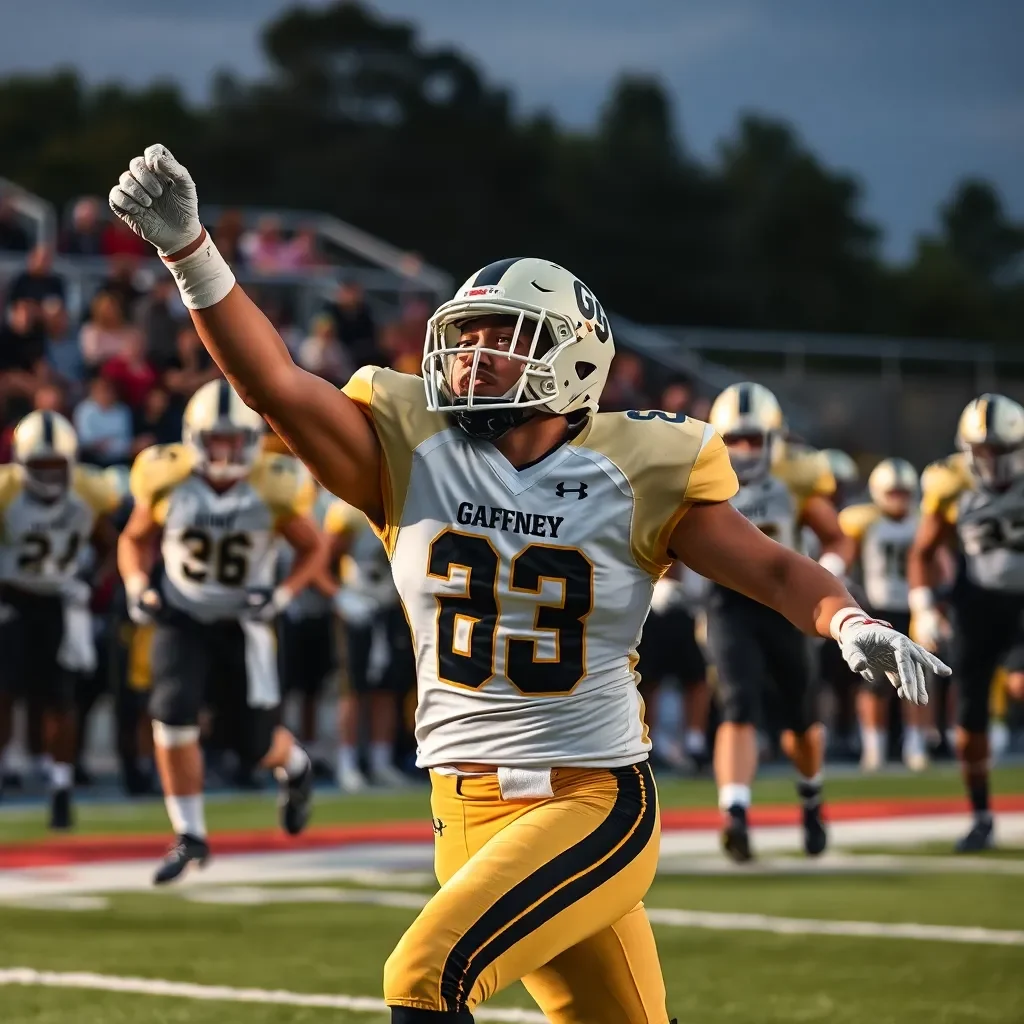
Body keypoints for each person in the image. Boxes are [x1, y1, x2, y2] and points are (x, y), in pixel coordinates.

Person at [109, 144, 944, 1024]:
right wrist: (191, 253)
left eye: (503, 339)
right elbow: (270, 383)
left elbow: (772, 565)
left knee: (422, 978)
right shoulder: (410, 446)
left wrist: (846, 620)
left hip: (590, 798)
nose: (472, 358)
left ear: (575, 358)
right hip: (458, 806)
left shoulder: (639, 466)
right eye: (465, 337)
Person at [116, 378, 324, 884]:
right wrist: (138, 583)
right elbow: (133, 539)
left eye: (235, 439)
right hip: (183, 615)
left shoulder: (273, 483)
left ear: (252, 440)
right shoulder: (166, 479)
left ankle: (295, 766)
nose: (226, 450)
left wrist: (281, 595)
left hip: (245, 623)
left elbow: (313, 548)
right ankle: (190, 835)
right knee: (173, 712)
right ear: (194, 439)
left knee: (251, 745)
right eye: (216, 439)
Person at [706, 382, 857, 862]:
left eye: (754, 439)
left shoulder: (795, 476)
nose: (745, 451)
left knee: (800, 716)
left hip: (787, 605)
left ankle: (811, 798)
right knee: (737, 706)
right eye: (735, 440)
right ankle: (736, 813)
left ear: (776, 439)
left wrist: (831, 565)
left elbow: (837, 534)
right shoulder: (699, 474)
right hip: (728, 603)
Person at [909, 394, 1024, 853]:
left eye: (999, 449)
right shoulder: (950, 479)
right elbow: (922, 549)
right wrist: (922, 605)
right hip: (976, 601)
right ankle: (980, 815)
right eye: (982, 449)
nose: (989, 460)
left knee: (1019, 684)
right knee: (969, 717)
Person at [0, 410, 120, 828]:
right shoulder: (5, 491)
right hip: (12, 598)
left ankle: (61, 786)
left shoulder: (90, 490)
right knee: (4, 695)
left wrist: (90, 581)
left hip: (63, 602)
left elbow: (110, 543)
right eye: (40, 466)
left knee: (61, 700)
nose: (49, 476)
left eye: (57, 466)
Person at [840, 458, 932, 772]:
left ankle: (915, 744)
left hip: (913, 608)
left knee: (915, 677)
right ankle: (873, 747)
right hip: (877, 609)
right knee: (874, 682)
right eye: (892, 492)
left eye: (903, 492)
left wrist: (936, 604)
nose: (898, 499)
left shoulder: (922, 521)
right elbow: (844, 563)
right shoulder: (864, 522)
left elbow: (939, 562)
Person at [325, 496, 412, 791]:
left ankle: (380, 761)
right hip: (357, 605)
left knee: (387, 688)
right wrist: (339, 596)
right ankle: (347, 763)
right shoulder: (348, 511)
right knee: (353, 688)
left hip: (391, 606)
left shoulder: (407, 502)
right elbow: (320, 560)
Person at [74, 374, 134, 466]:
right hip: (91, 459)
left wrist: (108, 445)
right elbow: (85, 439)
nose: (105, 395)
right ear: (93, 392)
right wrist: (106, 444)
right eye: (101, 392)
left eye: (108, 392)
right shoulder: (84, 410)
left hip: (118, 460)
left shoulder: (123, 411)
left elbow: (125, 441)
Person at [79, 290, 140, 367]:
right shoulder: (90, 331)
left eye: (113, 307)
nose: (110, 312)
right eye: (106, 308)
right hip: (100, 372)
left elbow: (135, 356)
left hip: (128, 372)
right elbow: (92, 357)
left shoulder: (132, 332)